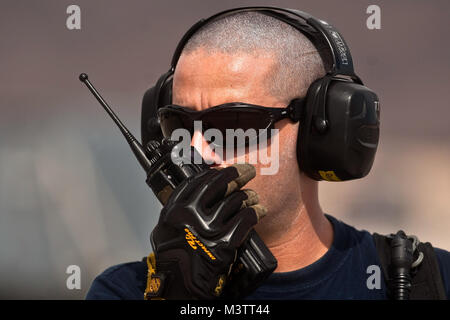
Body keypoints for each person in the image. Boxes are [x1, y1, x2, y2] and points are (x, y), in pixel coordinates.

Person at [86, 8, 450, 300]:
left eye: (232, 123)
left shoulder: (427, 282)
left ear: (320, 130)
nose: (196, 148)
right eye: (179, 126)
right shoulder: (125, 290)